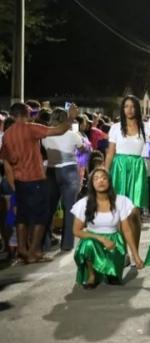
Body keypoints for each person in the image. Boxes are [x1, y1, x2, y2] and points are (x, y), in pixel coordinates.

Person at [0, 102, 77, 263]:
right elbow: (59, 130)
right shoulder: (30, 128)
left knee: (22, 216)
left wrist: (12, 183)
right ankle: (34, 251)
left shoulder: (7, 134)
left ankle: (22, 248)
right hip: (35, 178)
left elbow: (6, 162)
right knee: (40, 217)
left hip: (19, 181)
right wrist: (70, 117)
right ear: (25, 113)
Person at [72, 168, 144, 289]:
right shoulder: (84, 203)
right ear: (92, 184)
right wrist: (101, 238)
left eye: (104, 178)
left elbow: (126, 230)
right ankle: (92, 275)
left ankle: (112, 269)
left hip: (114, 244)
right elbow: (76, 231)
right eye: (96, 178)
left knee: (114, 280)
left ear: (109, 182)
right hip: (94, 241)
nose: (101, 181)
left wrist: (135, 256)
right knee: (88, 244)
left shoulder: (120, 201)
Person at [105, 96, 150, 256]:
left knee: (134, 212)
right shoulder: (115, 128)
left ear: (137, 108)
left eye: (133, 106)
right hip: (119, 169)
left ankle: (135, 251)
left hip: (137, 169)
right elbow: (111, 153)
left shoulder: (146, 127)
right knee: (121, 214)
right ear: (123, 109)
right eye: (126, 106)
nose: (129, 109)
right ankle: (124, 253)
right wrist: (105, 172)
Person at [42, 109, 85, 252]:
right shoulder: (73, 135)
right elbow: (83, 149)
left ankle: (45, 242)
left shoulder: (46, 135)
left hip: (51, 171)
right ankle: (67, 244)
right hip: (69, 171)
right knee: (69, 208)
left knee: (49, 208)